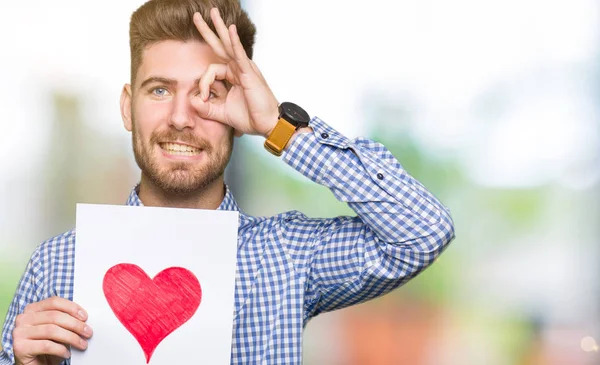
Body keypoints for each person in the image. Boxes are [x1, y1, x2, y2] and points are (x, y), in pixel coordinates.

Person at [0, 0, 455, 364]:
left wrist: (280, 127)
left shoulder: (288, 255)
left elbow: (422, 232)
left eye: (208, 94)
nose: (181, 118)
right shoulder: (58, 265)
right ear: (126, 107)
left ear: (238, 114)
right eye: (160, 90)